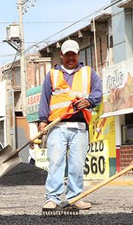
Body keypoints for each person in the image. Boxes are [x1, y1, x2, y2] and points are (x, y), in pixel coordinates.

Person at [37, 39, 103, 211]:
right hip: (57, 127)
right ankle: (52, 198)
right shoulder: (52, 75)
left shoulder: (89, 73)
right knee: (56, 162)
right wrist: (43, 120)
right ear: (62, 56)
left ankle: (75, 197)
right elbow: (44, 98)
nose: (71, 58)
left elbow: (98, 93)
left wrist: (89, 101)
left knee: (77, 164)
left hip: (80, 127)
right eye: (67, 55)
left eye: (73, 54)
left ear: (78, 55)